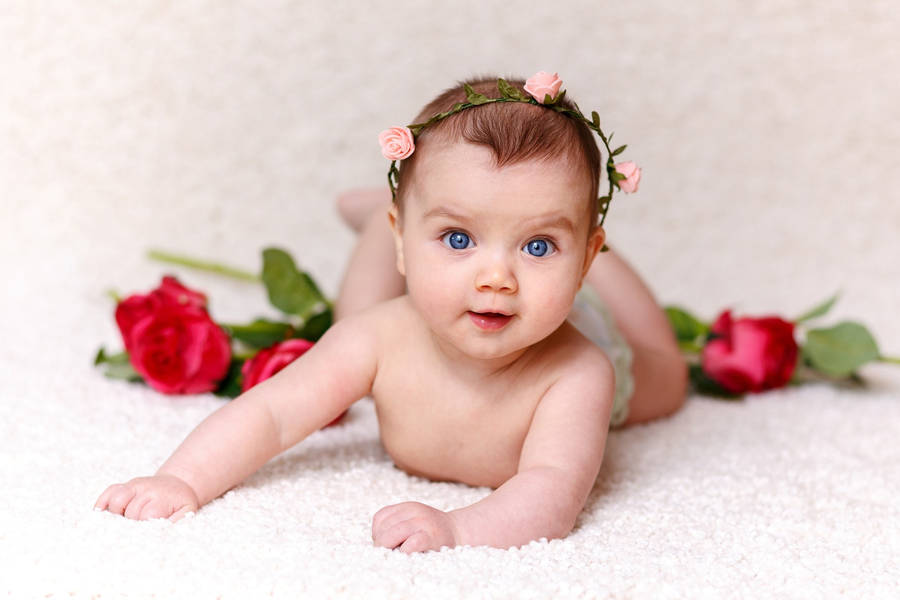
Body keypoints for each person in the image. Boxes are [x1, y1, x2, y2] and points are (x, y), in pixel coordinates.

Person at [94, 72, 687, 553]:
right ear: (406, 241)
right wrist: (181, 479)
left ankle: (577, 253)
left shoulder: (580, 374)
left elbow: (551, 490)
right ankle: (389, 220)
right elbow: (272, 413)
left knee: (669, 378)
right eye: (458, 238)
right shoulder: (379, 339)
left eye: (539, 246)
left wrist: (458, 529)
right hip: (414, 295)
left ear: (581, 261)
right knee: (354, 315)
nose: (496, 278)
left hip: (578, 320)